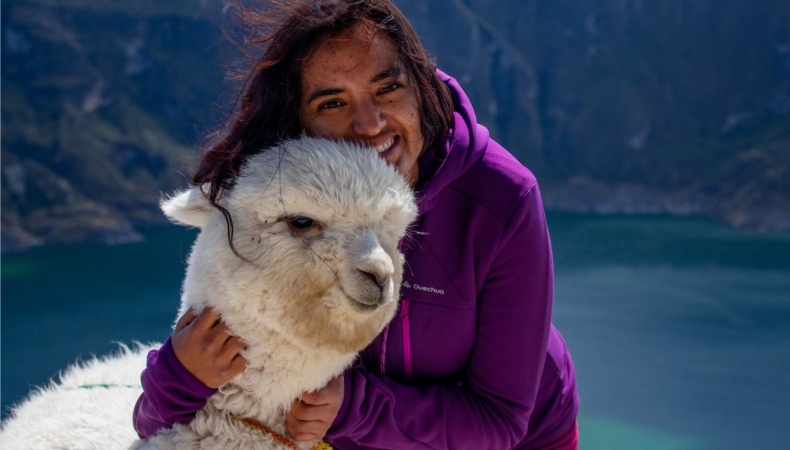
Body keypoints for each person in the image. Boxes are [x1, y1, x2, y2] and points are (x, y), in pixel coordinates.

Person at [133, 1, 579, 448]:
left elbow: (499, 421)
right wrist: (180, 377)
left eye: (388, 89)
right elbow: (164, 420)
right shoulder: (276, 209)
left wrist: (354, 408)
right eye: (332, 102)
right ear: (298, 122)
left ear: (420, 86)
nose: (370, 123)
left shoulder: (501, 198)